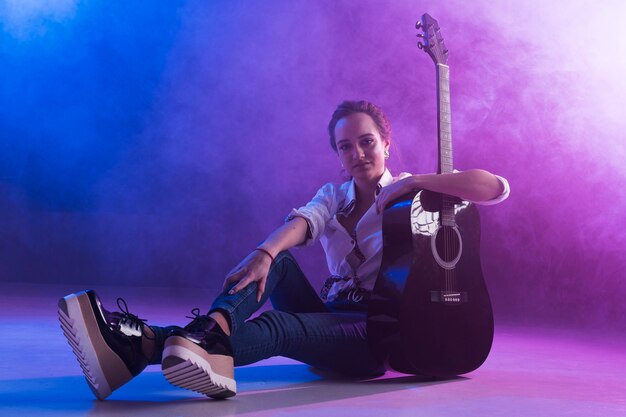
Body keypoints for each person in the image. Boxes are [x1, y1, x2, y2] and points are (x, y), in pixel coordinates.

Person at [58, 100, 510, 400]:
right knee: (279, 259)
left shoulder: (412, 197)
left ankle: (139, 344)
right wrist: (266, 253)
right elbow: (302, 223)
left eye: (367, 141)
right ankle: (206, 333)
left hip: (375, 333)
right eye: (345, 146)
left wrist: (418, 181)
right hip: (331, 311)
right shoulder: (334, 195)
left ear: (386, 144)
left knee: (278, 324)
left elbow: (495, 188)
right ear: (338, 154)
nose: (357, 153)